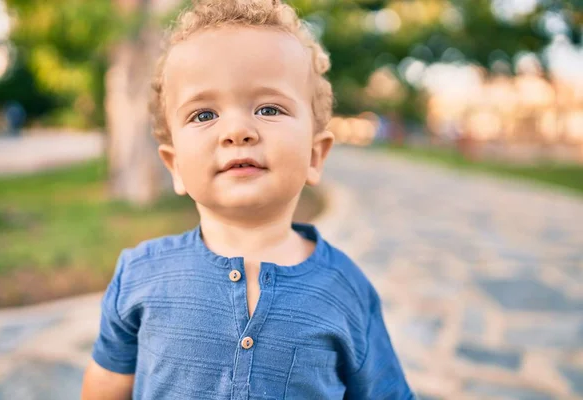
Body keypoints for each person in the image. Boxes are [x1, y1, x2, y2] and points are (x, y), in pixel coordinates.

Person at [81, 0, 414, 398]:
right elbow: (105, 387)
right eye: (204, 115)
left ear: (314, 155)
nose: (237, 130)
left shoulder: (345, 290)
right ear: (174, 166)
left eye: (268, 108)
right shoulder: (139, 276)